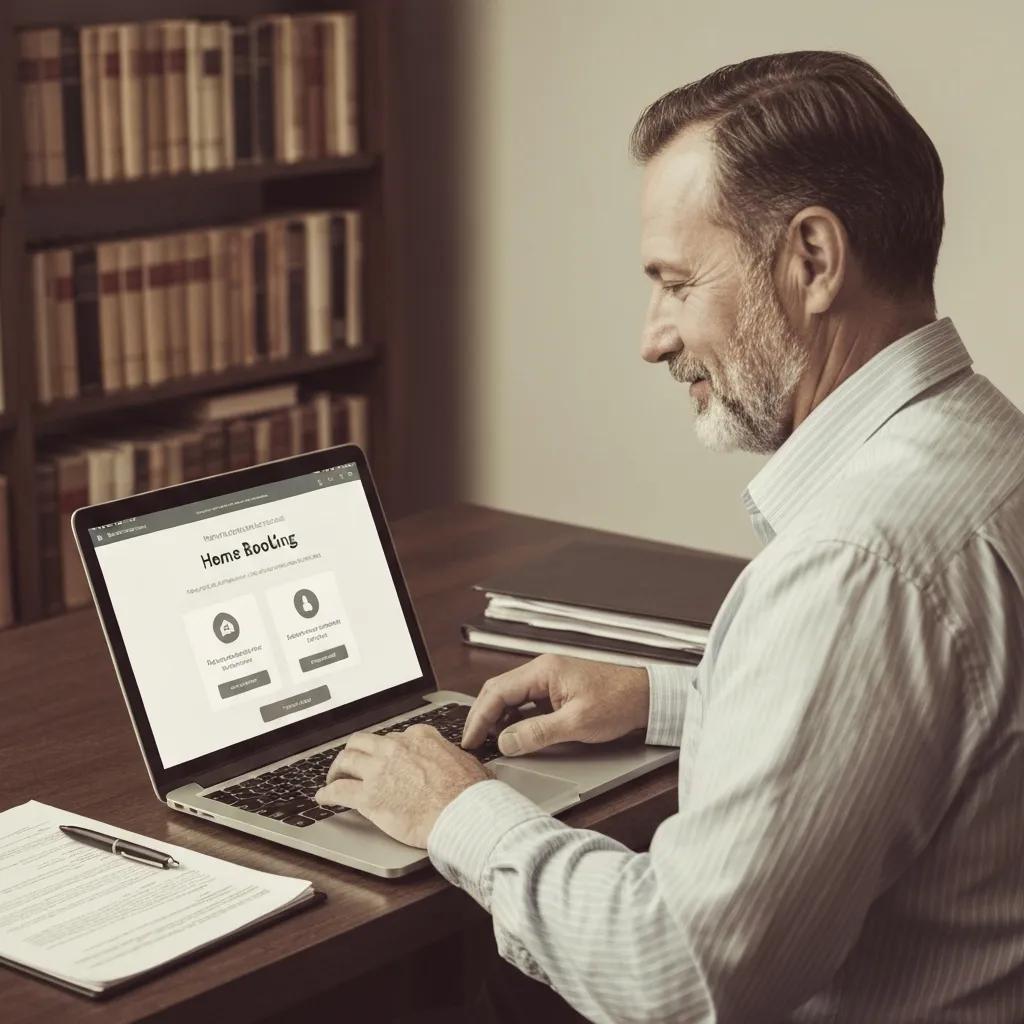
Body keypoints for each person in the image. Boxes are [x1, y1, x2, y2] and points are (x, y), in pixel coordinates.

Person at [315, 50, 1024, 1022]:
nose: (652, 336)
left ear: (812, 261)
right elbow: (929, 715)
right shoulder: (987, 452)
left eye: (676, 282)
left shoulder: (859, 564)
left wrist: (455, 808)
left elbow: (676, 974)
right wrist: (666, 697)